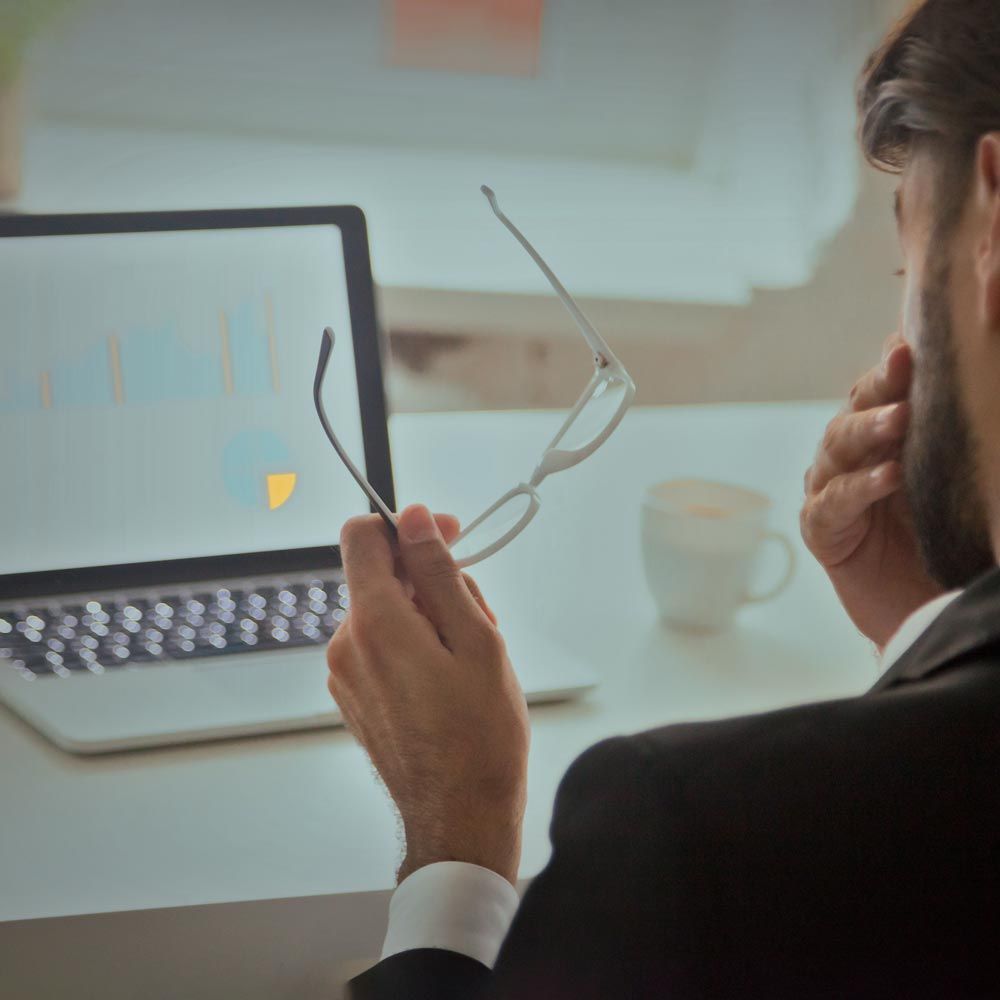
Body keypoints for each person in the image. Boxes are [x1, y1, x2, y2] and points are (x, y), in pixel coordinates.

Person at [337, 1, 1000, 995]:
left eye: (912, 270)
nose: (900, 343)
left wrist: (456, 835)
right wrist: (925, 636)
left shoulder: (690, 829)